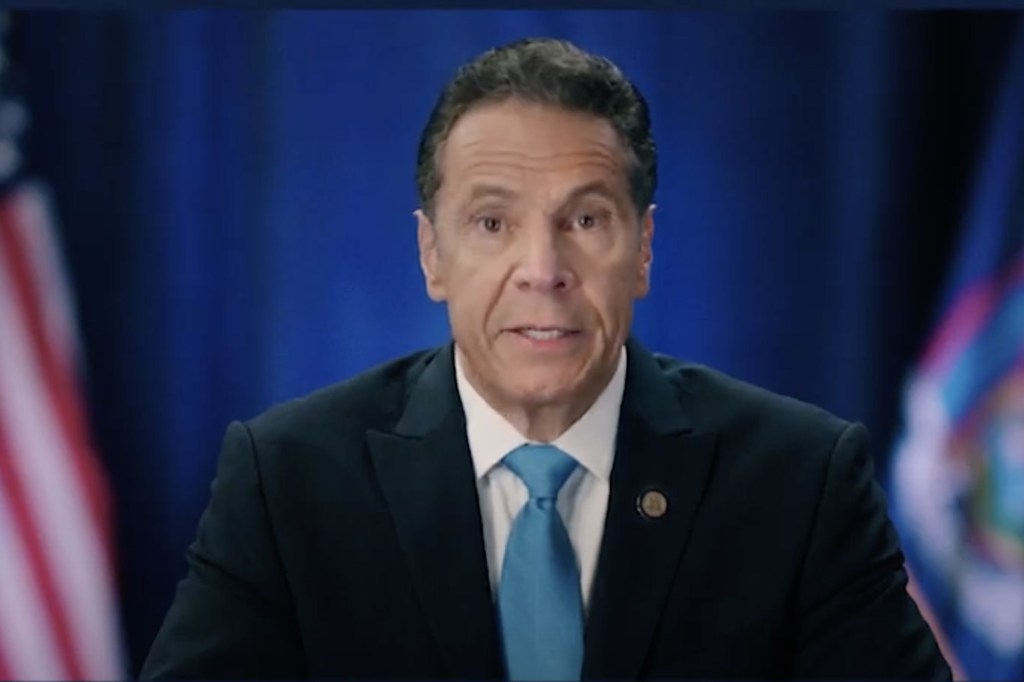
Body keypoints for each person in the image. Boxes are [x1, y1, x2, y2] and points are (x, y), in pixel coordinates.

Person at [141, 38, 952, 681]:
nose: (543, 268)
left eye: (587, 220)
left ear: (644, 249)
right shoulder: (288, 482)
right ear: (432, 255)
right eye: (493, 224)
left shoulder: (799, 481)